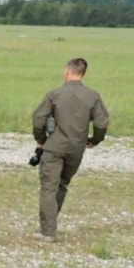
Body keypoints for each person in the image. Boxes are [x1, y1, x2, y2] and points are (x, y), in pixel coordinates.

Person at [30, 58, 110, 239]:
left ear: (67, 72)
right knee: (62, 184)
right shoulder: (93, 96)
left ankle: (48, 232)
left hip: (54, 146)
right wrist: (94, 140)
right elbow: (101, 123)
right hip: (77, 148)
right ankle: (50, 225)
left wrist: (40, 140)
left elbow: (38, 119)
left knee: (49, 187)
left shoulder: (55, 94)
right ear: (83, 73)